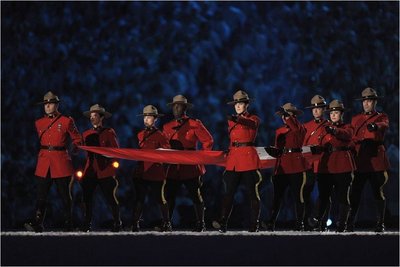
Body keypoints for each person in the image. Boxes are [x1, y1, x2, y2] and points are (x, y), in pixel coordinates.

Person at [24, 91, 82, 232]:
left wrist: (75, 147)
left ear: (56, 105)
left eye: (50, 104)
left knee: (65, 195)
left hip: (61, 160)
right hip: (44, 161)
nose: (47, 106)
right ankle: (38, 222)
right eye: (45, 104)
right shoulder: (39, 123)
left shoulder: (67, 121)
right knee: (41, 195)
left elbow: (77, 138)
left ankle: (69, 222)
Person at [212, 90, 262, 232]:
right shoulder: (231, 119)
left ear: (246, 105)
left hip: (248, 158)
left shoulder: (254, 118)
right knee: (229, 193)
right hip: (234, 159)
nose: (237, 106)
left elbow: (251, 124)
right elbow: (233, 140)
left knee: (253, 193)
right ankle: (223, 222)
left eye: (240, 103)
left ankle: (254, 223)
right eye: (236, 104)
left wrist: (237, 119)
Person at [162, 95, 213, 232]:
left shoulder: (194, 123)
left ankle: (200, 223)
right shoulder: (167, 127)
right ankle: (167, 223)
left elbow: (208, 141)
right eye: (174, 106)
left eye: (179, 105)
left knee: (195, 194)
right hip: (174, 165)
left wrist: (203, 158)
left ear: (185, 108)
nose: (176, 108)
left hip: (190, 165)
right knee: (169, 195)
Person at [348, 88, 390, 232]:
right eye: (364, 101)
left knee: (378, 192)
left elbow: (384, 125)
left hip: (375, 159)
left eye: (369, 101)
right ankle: (350, 223)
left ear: (375, 102)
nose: (366, 103)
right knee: (355, 193)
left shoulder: (381, 117)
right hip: (360, 160)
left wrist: (375, 126)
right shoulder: (355, 119)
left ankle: (381, 223)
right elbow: (352, 138)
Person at [264, 103, 309, 231]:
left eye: (286, 114)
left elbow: (294, 129)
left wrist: (289, 117)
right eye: (283, 115)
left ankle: (300, 223)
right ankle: (271, 222)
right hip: (282, 165)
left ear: (293, 115)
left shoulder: (300, 128)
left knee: (297, 196)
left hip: (296, 165)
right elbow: (278, 147)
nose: (284, 117)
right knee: (277, 196)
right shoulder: (279, 130)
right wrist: (274, 151)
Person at [313, 99, 355, 232]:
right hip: (327, 166)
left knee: (343, 196)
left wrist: (334, 130)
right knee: (324, 195)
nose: (333, 115)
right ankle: (319, 222)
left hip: (343, 165)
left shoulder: (347, 127)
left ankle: (342, 224)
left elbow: (347, 135)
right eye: (331, 113)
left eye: (336, 113)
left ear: (341, 114)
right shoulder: (325, 129)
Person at [80, 104, 121, 232]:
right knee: (87, 197)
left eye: (95, 115)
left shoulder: (109, 132)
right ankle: (87, 223)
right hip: (90, 170)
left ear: (101, 117)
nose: (92, 118)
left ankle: (117, 222)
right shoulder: (86, 133)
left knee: (110, 197)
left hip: (105, 170)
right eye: (91, 116)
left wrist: (112, 167)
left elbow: (116, 150)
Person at [131, 105, 172, 232]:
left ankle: (167, 223)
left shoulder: (161, 135)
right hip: (142, 171)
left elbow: (167, 151)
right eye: (145, 117)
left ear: (155, 119)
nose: (146, 119)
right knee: (140, 198)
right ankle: (135, 223)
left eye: (149, 117)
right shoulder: (140, 134)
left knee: (160, 198)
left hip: (155, 171)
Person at [302, 95, 329, 230]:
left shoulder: (329, 126)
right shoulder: (306, 126)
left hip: (324, 163)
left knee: (325, 193)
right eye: (314, 108)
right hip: (310, 164)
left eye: (318, 108)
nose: (316, 111)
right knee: (306, 192)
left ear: (324, 109)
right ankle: (308, 220)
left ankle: (321, 221)